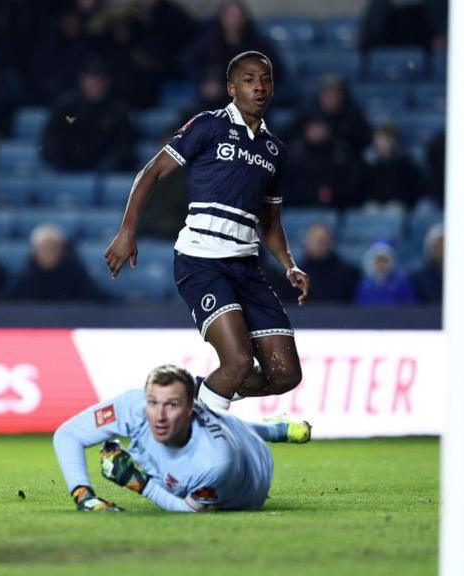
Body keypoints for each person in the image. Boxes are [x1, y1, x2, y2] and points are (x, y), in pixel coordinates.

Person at [106, 51, 311, 413]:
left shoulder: (274, 150)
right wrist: (127, 231)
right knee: (239, 363)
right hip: (201, 262)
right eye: (249, 79)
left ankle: (199, 396)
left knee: (286, 375)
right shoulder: (208, 126)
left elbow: (270, 222)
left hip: (247, 268)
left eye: (265, 79)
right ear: (231, 87)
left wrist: (290, 264)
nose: (259, 86)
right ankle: (197, 436)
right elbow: (150, 173)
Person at [52, 364, 310, 512]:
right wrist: (84, 496)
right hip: (229, 433)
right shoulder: (134, 406)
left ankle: (275, 431)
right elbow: (67, 435)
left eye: (172, 405)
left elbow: (190, 510)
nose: (159, 416)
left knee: (237, 433)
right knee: (230, 424)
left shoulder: (215, 463)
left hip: (252, 481)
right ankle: (280, 430)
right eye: (153, 402)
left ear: (190, 408)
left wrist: (139, 483)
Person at [41, 61, 136, 173]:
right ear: (83, 80)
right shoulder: (66, 107)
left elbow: (125, 146)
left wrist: (108, 164)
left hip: (104, 174)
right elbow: (49, 140)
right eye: (93, 79)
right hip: (66, 170)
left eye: (101, 79)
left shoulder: (117, 111)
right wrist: (62, 162)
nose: (97, 84)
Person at [12, 224, 107, 302]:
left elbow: (94, 297)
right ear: (35, 251)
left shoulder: (73, 271)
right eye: (45, 248)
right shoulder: (28, 273)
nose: (49, 252)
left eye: (53, 248)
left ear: (61, 249)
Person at [354, 241, 417, 306]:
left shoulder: (402, 283)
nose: (381, 264)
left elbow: (410, 307)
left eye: (385, 261)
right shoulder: (365, 284)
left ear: (391, 261)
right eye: (378, 260)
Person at [409, 224, 443, 303]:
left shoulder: (463, 275)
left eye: (444, 244)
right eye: (438, 244)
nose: (442, 249)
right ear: (429, 248)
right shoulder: (418, 277)